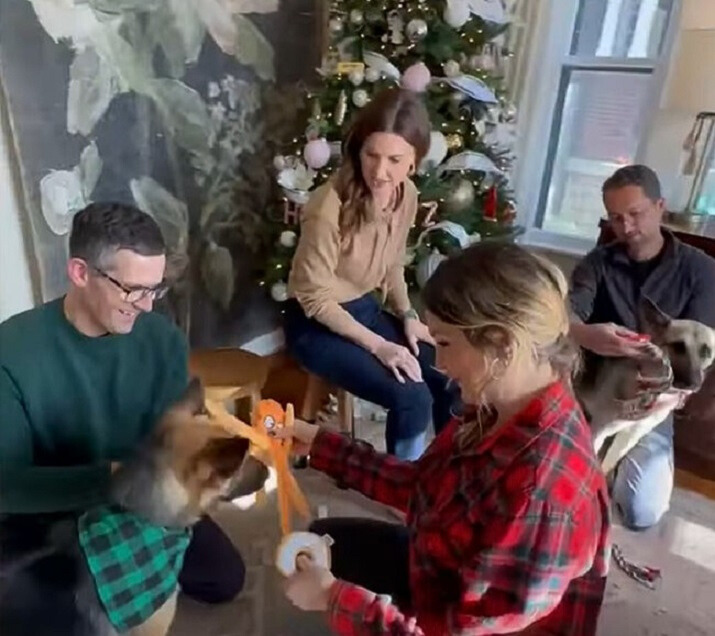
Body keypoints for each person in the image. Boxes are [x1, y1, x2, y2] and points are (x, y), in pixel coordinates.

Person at [275, 242, 611, 636]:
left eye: (447, 343)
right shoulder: (499, 402)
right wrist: (320, 444)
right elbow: (425, 487)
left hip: (467, 624)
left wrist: (333, 598)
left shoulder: (540, 492)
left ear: (502, 343)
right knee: (320, 544)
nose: (439, 363)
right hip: (445, 573)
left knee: (327, 579)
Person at [0, 203, 245, 629]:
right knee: (44, 617)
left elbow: (177, 438)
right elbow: (7, 487)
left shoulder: (162, 339)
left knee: (226, 578)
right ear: (80, 273)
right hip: (49, 511)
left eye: (156, 289)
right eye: (132, 289)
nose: (147, 306)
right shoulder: (12, 352)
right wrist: (113, 478)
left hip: (144, 499)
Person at [284, 88, 456, 461]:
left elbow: (394, 263)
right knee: (412, 396)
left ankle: (445, 473)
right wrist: (380, 346)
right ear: (358, 150)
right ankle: (406, 488)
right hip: (314, 324)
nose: (380, 172)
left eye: (395, 159)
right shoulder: (327, 205)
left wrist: (409, 316)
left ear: (415, 160)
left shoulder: (406, 194)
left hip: (363, 310)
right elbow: (315, 299)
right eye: (371, 155)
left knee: (449, 374)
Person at [569, 164, 715, 530]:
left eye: (636, 214)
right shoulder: (597, 263)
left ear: (660, 206)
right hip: (590, 386)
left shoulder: (701, 270)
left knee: (641, 513)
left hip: (657, 400)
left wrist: (670, 397)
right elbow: (566, 316)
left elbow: (699, 352)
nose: (626, 227)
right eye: (616, 218)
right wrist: (585, 334)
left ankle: (618, 462)